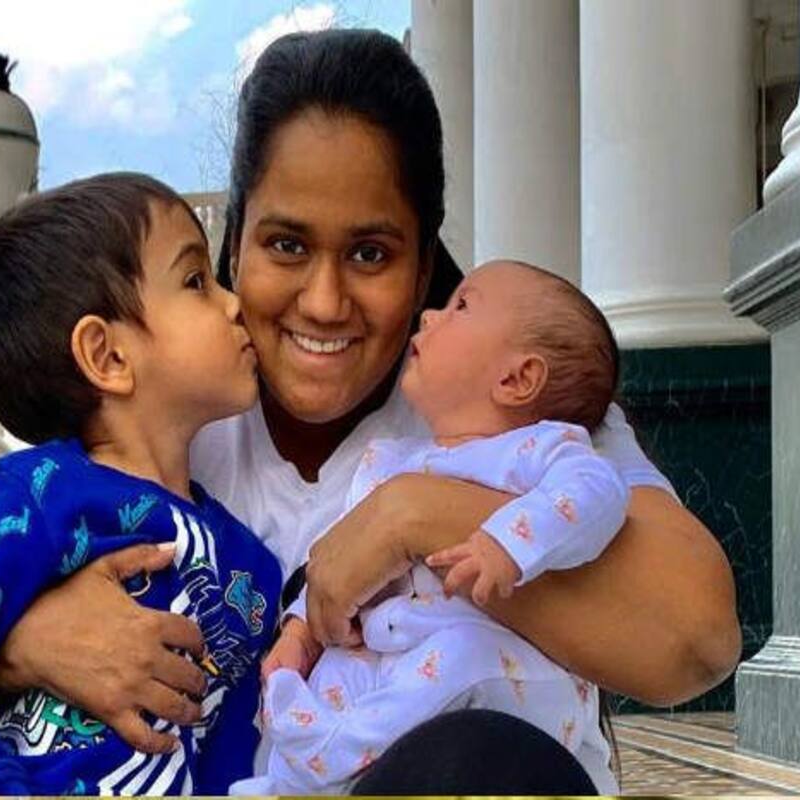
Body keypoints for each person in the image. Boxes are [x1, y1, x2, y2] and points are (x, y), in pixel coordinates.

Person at [0, 28, 740, 794]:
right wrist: (24, 643)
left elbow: (696, 641)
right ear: (238, 240)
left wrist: (409, 516)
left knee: (476, 760)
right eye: (286, 244)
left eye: (371, 253)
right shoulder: (159, 423)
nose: (324, 302)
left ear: (423, 262)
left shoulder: (508, 406)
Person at [0, 174, 281, 795]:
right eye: (196, 281)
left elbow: (232, 762)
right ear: (108, 356)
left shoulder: (251, 569)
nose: (233, 305)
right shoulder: (42, 498)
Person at [233, 260, 630, 794]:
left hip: (507, 677)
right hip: (400, 663)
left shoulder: (536, 449)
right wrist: (302, 629)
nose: (429, 317)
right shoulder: (392, 461)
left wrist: (507, 544)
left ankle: (324, 760)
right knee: (337, 672)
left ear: (517, 379)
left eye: (460, 306)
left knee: (462, 653)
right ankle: (287, 780)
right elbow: (337, 561)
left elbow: (597, 492)